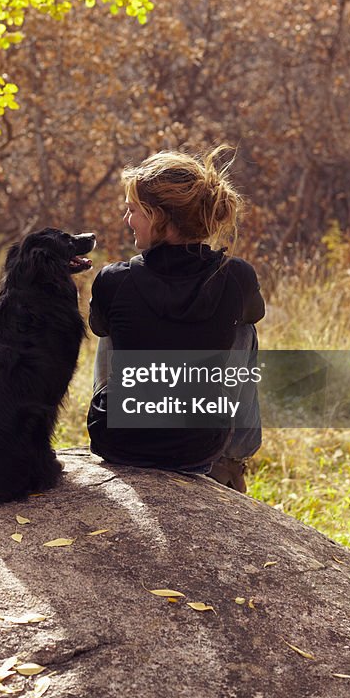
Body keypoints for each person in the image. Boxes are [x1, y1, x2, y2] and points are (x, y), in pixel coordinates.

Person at [86, 147, 265, 492]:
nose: (127, 220)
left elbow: (100, 329)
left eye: (132, 211)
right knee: (244, 326)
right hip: (198, 450)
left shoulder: (114, 278)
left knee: (109, 319)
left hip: (117, 445)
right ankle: (231, 461)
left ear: (158, 217)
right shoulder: (236, 276)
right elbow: (253, 315)